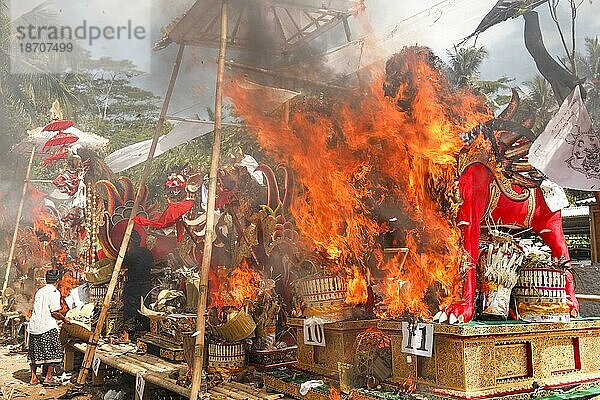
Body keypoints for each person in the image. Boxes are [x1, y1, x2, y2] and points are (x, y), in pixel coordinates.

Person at [27, 269, 70, 386]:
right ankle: (49, 377)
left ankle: (33, 378)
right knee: (54, 351)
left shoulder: (40, 291)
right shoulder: (54, 292)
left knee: (35, 353)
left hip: (34, 326)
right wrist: (64, 319)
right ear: (57, 280)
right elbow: (54, 312)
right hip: (47, 326)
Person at [119, 230, 153, 343]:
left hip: (134, 284)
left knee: (130, 308)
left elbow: (120, 263)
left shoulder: (130, 254)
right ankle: (145, 334)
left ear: (130, 242)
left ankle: (126, 335)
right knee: (145, 307)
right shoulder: (147, 253)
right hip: (147, 284)